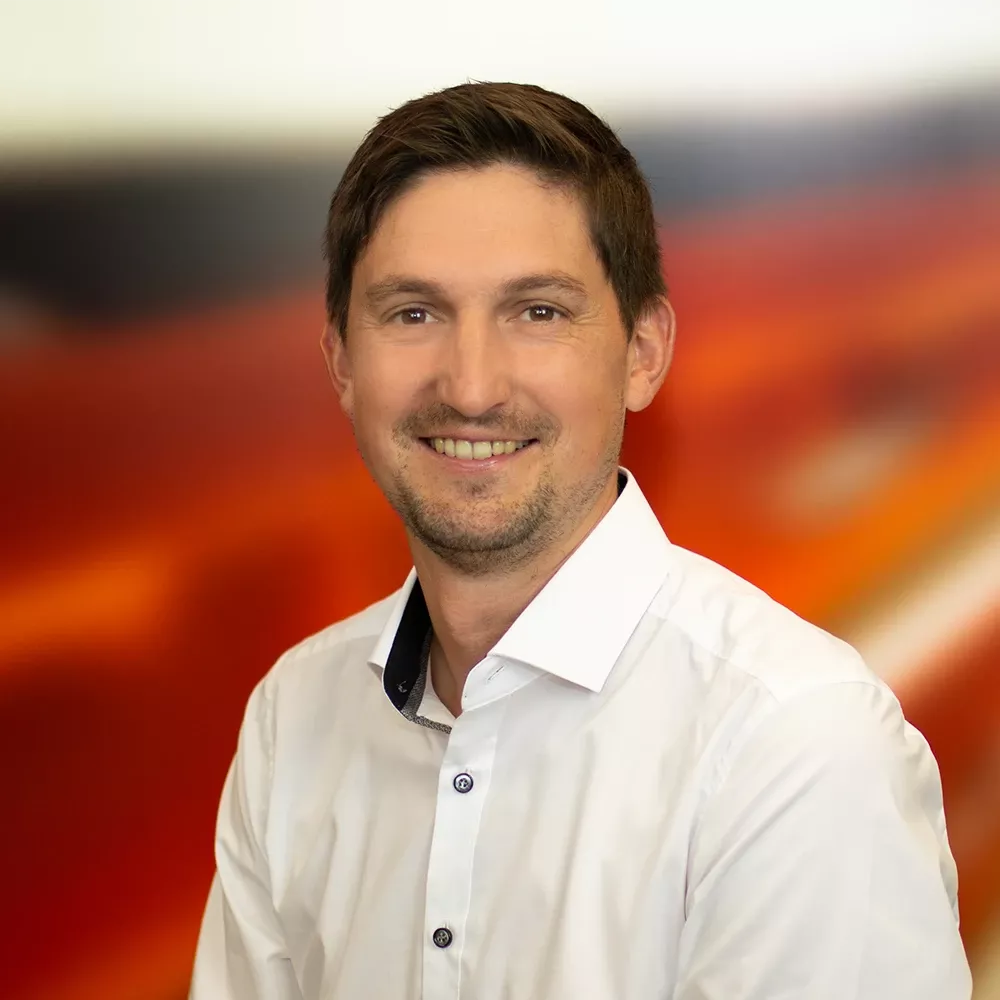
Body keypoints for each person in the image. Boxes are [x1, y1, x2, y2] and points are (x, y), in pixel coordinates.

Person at [189, 82, 971, 999]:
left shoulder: (792, 741)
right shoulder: (293, 719)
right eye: (414, 313)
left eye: (539, 312)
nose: (472, 386)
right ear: (340, 364)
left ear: (644, 353)